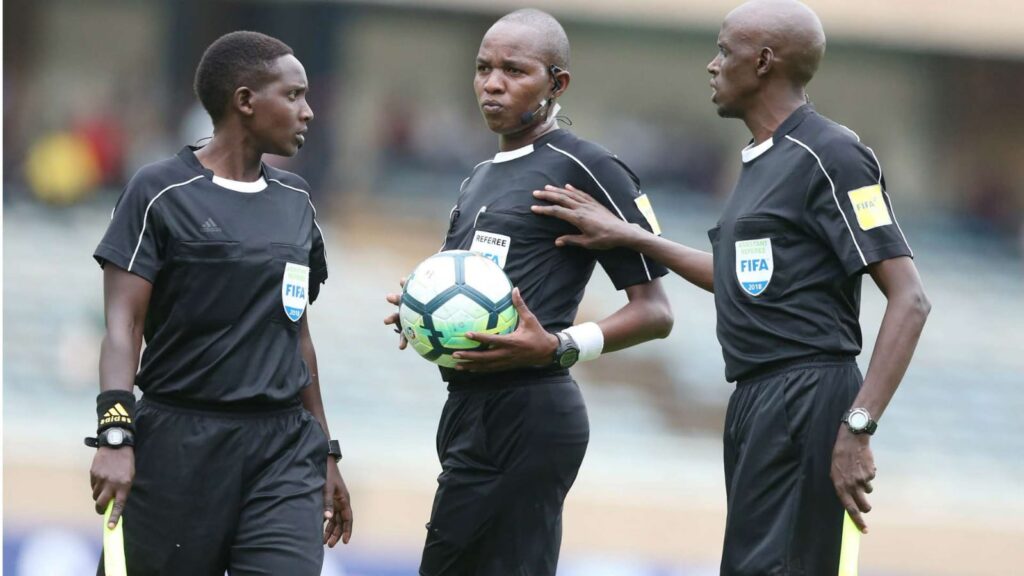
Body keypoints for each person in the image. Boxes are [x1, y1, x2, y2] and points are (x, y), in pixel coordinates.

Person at [532, 1, 931, 574]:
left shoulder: (831, 153)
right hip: (754, 399)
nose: (711, 66)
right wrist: (631, 236)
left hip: (809, 396)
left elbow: (911, 298)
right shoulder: (759, 161)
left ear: (764, 61)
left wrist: (858, 425)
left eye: (724, 51)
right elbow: (738, 281)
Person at [384, 9, 673, 575]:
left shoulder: (587, 166)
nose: (493, 83)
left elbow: (655, 311)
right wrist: (421, 313)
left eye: (514, 70)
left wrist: (559, 345)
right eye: (483, 68)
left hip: (530, 409)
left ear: (556, 83)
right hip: (468, 410)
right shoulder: (478, 178)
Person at [89, 31, 352, 575]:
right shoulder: (158, 191)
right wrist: (116, 433)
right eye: (295, 96)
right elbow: (123, 324)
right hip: (179, 442)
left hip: (282, 450)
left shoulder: (298, 204)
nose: (308, 112)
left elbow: (296, 332)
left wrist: (325, 449)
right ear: (246, 101)